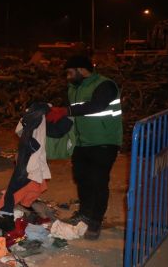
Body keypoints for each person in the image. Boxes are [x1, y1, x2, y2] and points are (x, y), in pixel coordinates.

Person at [46, 54, 122, 240]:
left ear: (81, 70)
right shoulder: (74, 88)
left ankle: (95, 221)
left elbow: (96, 105)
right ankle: (85, 213)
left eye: (70, 73)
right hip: (82, 142)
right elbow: (76, 113)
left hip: (105, 141)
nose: (68, 77)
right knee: (81, 178)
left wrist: (66, 110)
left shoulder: (105, 85)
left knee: (98, 181)